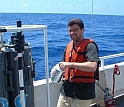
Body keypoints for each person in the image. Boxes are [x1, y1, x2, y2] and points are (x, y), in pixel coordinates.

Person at [56, 18, 100, 107]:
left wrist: (71, 64)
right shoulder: (68, 47)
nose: (72, 33)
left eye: (75, 30)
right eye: (70, 31)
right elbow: (65, 65)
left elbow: (92, 66)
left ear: (83, 30)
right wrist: (58, 69)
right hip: (66, 90)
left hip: (83, 92)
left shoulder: (90, 46)